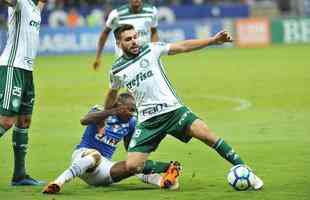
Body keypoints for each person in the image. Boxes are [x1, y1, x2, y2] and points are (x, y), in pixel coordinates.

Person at [104, 24, 264, 190]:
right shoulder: (116, 70)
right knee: (132, 166)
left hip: (173, 111)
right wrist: (103, 116)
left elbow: (182, 46)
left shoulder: (151, 49)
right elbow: (111, 94)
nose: (134, 41)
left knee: (208, 136)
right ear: (118, 43)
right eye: (128, 39)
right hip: (148, 122)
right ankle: (169, 167)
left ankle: (247, 172)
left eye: (135, 37)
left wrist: (213, 40)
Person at [42, 93, 181, 194]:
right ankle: (58, 183)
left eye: (134, 110)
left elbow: (130, 151)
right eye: (130, 109)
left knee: (132, 166)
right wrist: (111, 112)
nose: (133, 114)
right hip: (81, 156)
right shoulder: (100, 110)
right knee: (95, 156)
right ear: (119, 107)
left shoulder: (131, 123)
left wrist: (148, 146)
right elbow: (84, 120)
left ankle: (165, 179)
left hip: (103, 170)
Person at [0, 0, 46, 186]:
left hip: (27, 71)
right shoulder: (20, 2)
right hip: (13, 66)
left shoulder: (37, 8)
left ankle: (19, 175)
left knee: (24, 121)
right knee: (6, 120)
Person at [92, 0, 159, 70]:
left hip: (144, 55)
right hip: (124, 58)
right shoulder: (116, 14)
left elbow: (154, 32)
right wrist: (98, 57)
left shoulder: (152, 11)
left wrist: (154, 51)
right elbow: (105, 33)